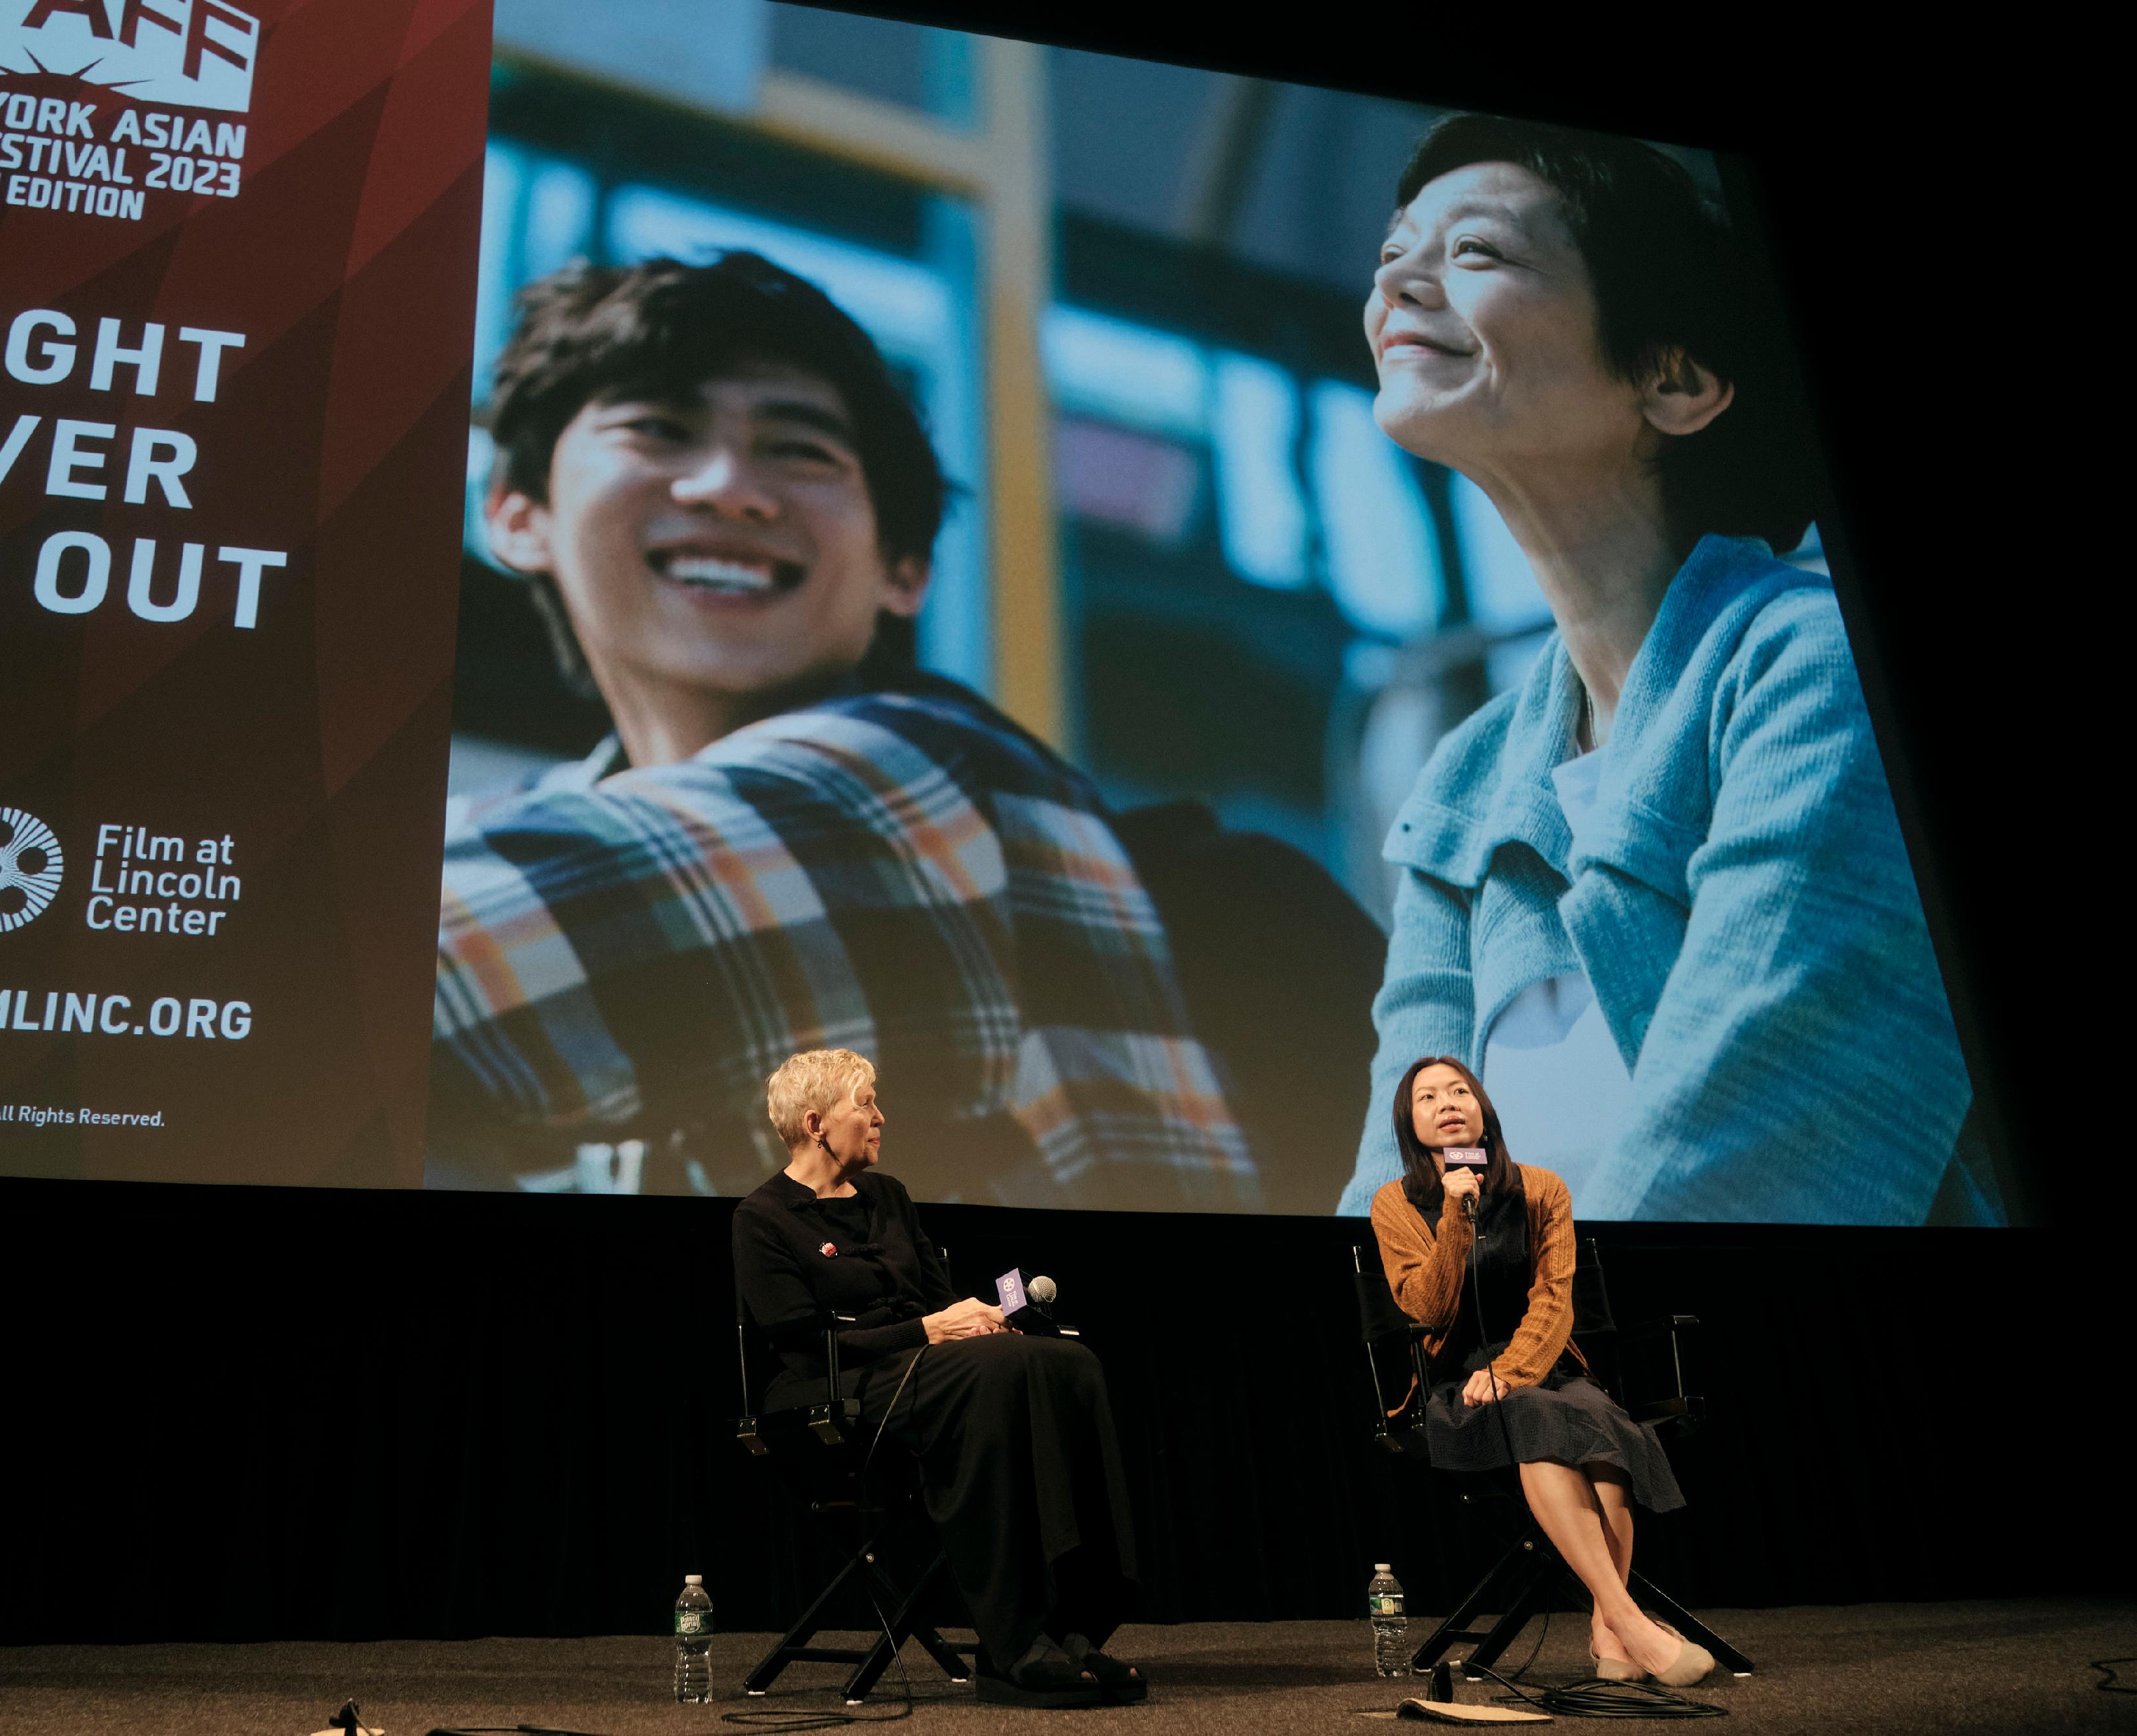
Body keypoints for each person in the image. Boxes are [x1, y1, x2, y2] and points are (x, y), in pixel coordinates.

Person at [428, 250, 1263, 1211]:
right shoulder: (555, 813)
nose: (729, 487)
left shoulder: (918, 772)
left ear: (904, 568)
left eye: (800, 450)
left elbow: (348, 971)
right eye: (659, 429)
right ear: (516, 514)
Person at [1337, 116, 1982, 1225]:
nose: (1401, 278)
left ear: (1675, 379)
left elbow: (1746, 1175)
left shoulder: (1819, 674)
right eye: (1396, 250)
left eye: (1476, 252)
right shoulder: (1465, 780)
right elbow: (1392, 1204)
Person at [731, 1047, 1146, 1706]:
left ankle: (1072, 1623)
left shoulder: (889, 1196)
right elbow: (807, 1346)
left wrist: (975, 1320)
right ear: (815, 1124)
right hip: (831, 1387)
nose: (880, 1117)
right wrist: (931, 1331)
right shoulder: (762, 1218)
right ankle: (1011, 1645)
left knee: (1068, 1361)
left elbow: (935, 1300)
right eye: (865, 1105)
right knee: (994, 1377)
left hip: (929, 1367)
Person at [1371, 1056, 1711, 1687]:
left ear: (1481, 1108)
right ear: (1409, 1123)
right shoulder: (1395, 1204)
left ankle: (1609, 1630)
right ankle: (1629, 1627)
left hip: (1540, 1361)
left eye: (1458, 1091)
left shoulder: (1543, 1189)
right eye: (1426, 1097)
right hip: (1457, 1381)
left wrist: (1513, 1369)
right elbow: (1427, 1306)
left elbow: (1554, 1299)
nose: (1446, 1103)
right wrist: (1452, 1216)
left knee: (1598, 1424)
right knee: (1537, 1419)